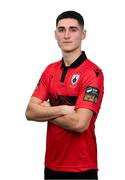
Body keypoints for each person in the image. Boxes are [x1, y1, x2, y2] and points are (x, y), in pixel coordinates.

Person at [25, 10, 104, 179]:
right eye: (61, 30)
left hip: (82, 168)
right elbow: (30, 112)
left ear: (83, 34)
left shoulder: (93, 73)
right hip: (51, 166)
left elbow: (79, 124)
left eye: (73, 29)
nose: (66, 35)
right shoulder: (50, 70)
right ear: (55, 34)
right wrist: (62, 109)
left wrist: (46, 112)